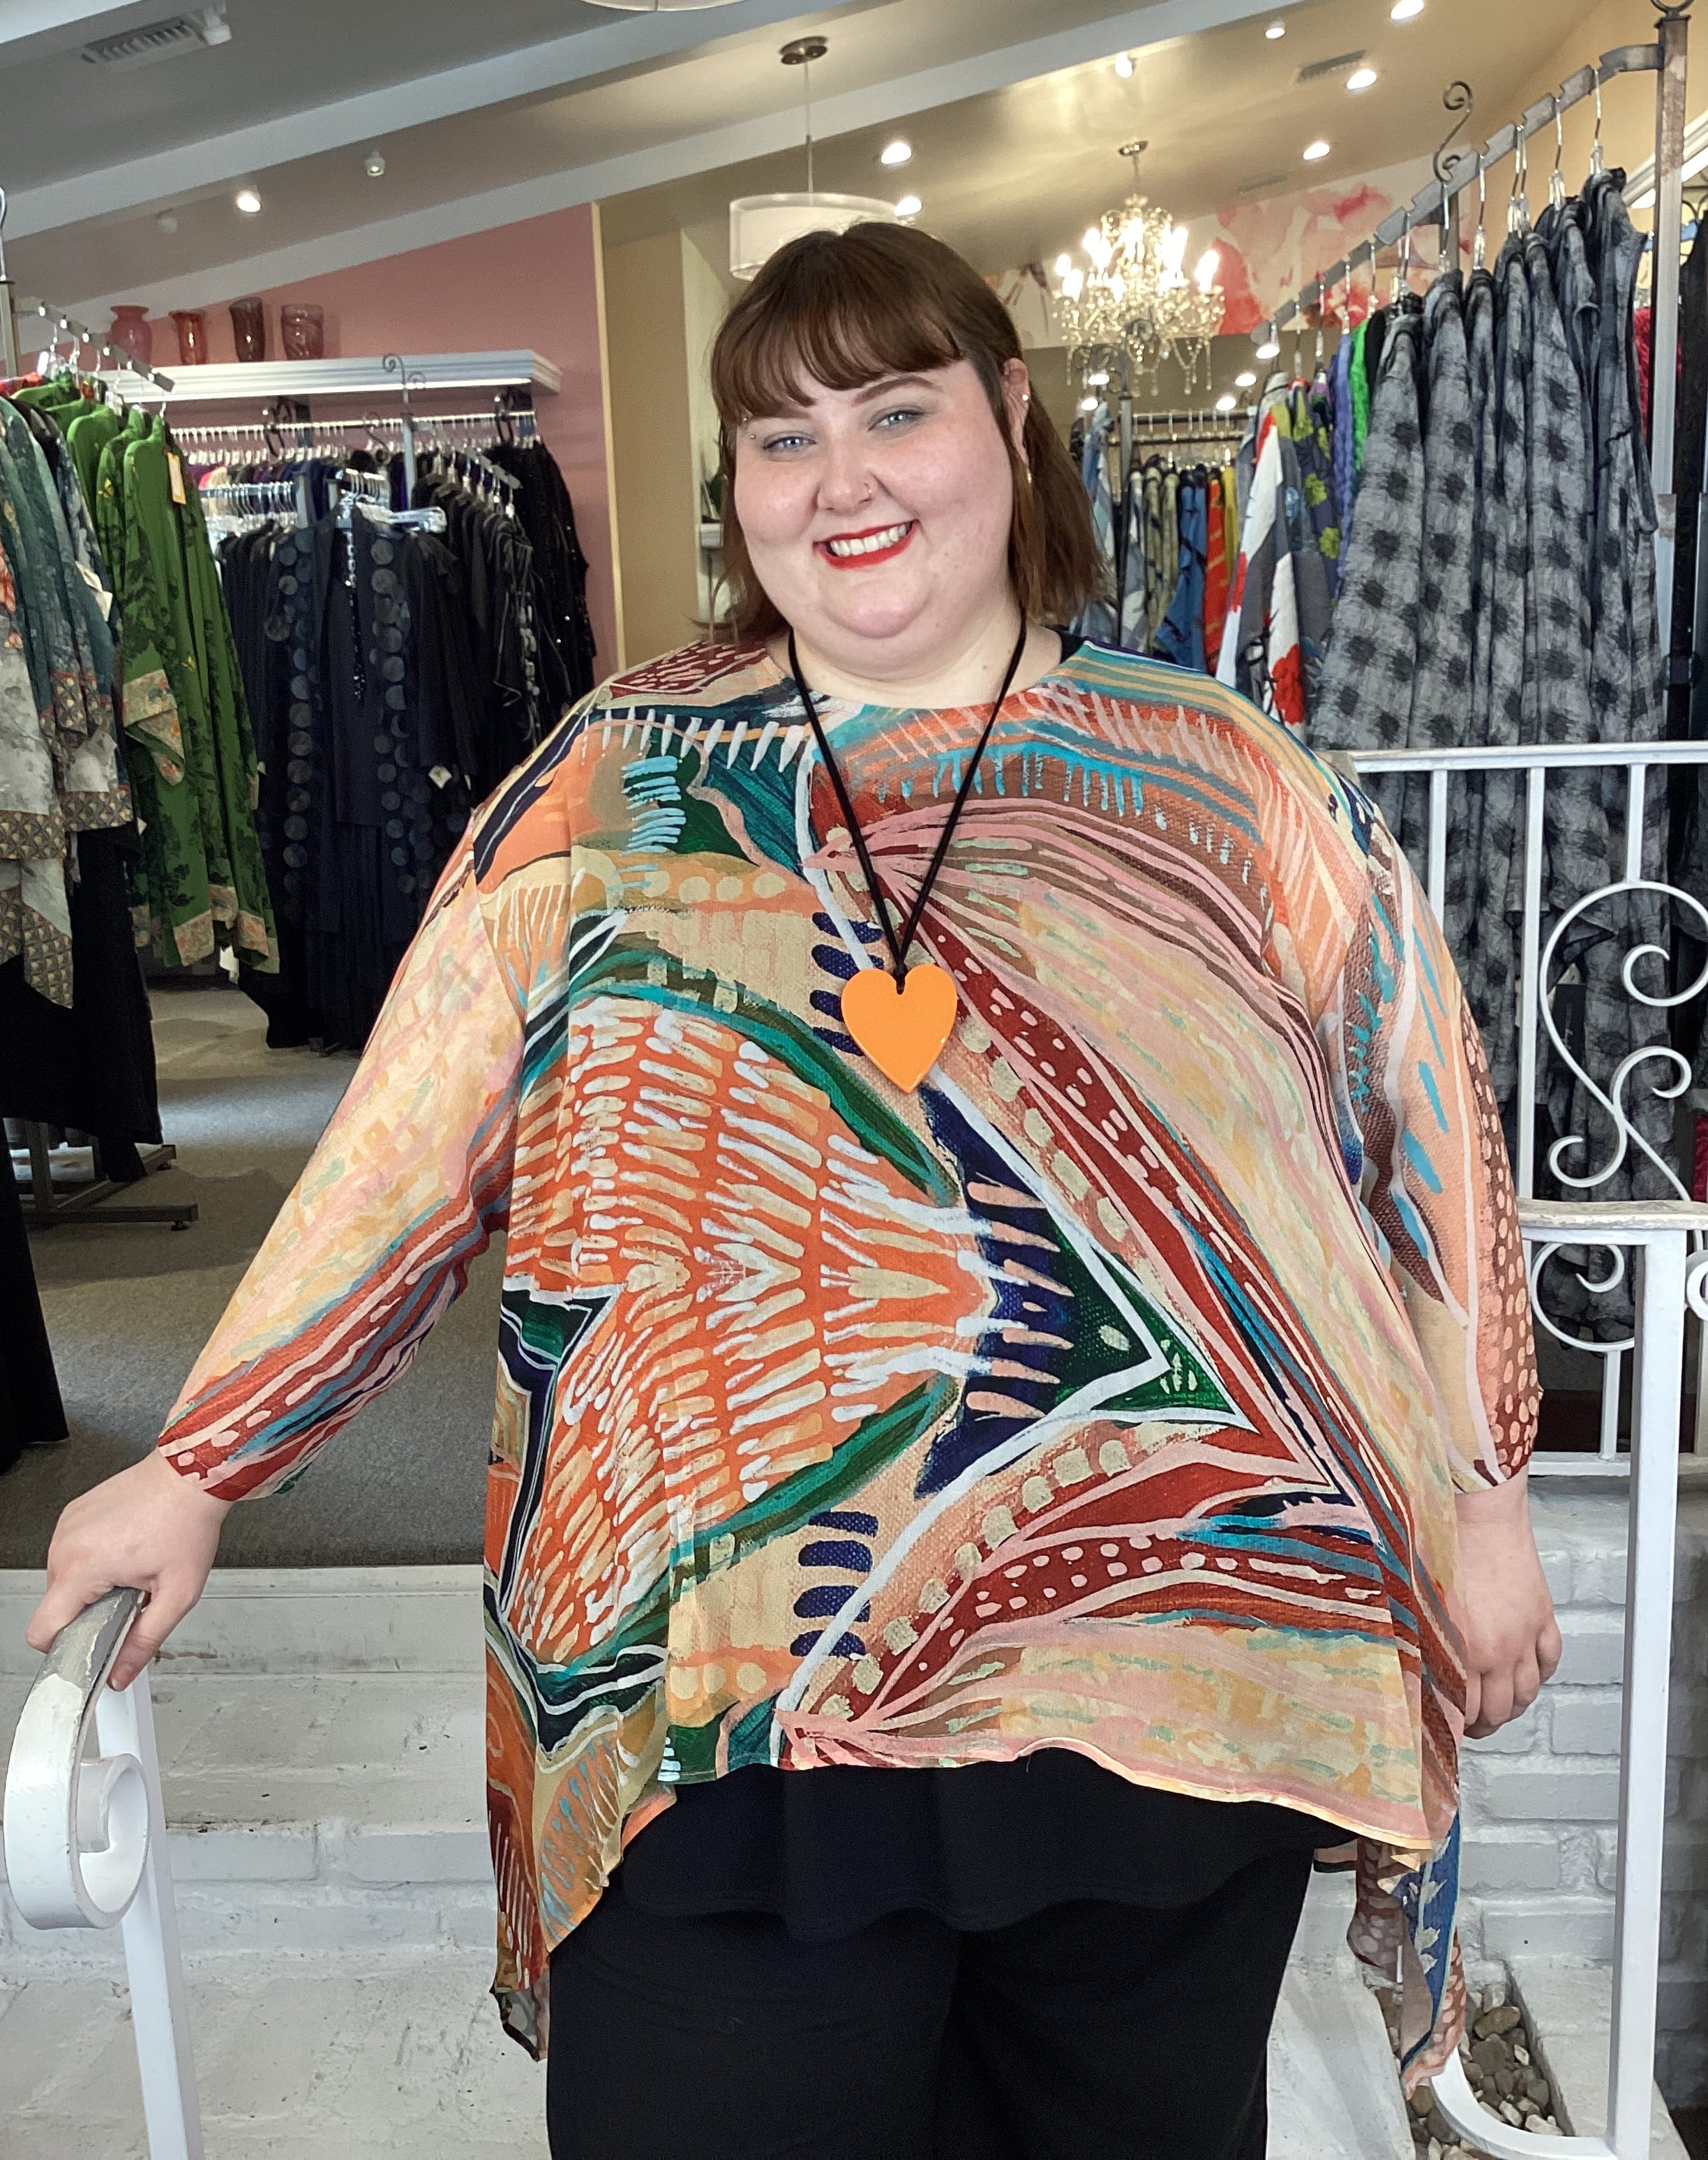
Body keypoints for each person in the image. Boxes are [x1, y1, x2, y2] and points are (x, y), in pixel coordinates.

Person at [30, 221, 1560, 2160]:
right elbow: (406, 1143)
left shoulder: (1227, 782)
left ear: (1011, 418)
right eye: (781, 437)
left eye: (896, 412)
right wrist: (202, 1461)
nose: (841, 481)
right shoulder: (609, 789)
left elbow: (1428, 1131)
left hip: (1176, 1672)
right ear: (737, 487)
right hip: (722, 1682)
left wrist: (1485, 1498)